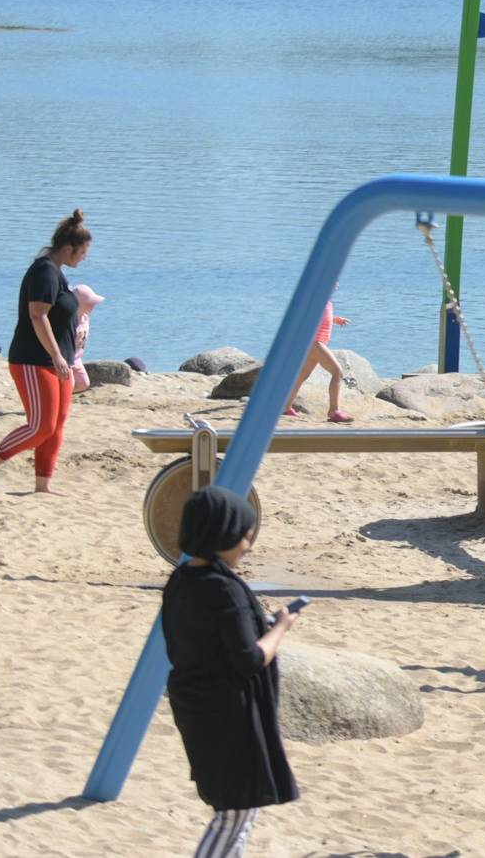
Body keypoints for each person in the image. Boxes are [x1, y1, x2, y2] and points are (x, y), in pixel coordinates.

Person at [162, 487, 299, 857]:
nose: (248, 545)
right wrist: (280, 627)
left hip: (196, 707)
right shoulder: (225, 591)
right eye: (243, 536)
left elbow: (206, 639)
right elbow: (250, 659)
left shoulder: (180, 582)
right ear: (220, 535)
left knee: (239, 812)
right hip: (229, 716)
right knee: (233, 815)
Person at [0, 210, 89, 494]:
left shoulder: (58, 273)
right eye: (83, 251)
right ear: (68, 248)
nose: (85, 257)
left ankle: (42, 485)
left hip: (59, 361)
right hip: (33, 360)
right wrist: (55, 355)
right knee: (41, 426)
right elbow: (37, 316)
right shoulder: (44, 272)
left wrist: (69, 356)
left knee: (56, 426)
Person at [282, 301, 354, 423]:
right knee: (337, 372)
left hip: (315, 343)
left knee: (302, 375)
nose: (336, 284)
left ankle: (286, 407)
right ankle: (334, 410)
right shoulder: (316, 299)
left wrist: (335, 319)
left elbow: (322, 317)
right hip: (314, 343)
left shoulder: (326, 301)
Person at [68, 284, 105, 393]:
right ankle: (58, 400)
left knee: (83, 383)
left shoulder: (85, 317)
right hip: (67, 359)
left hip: (77, 358)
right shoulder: (69, 321)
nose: (93, 306)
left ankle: (60, 396)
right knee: (69, 384)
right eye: (90, 303)